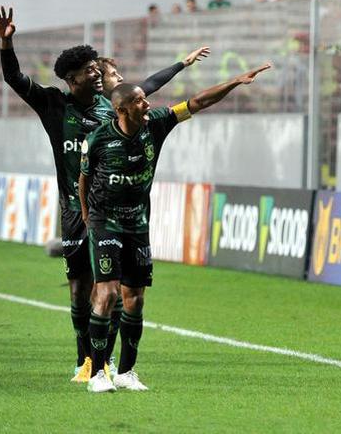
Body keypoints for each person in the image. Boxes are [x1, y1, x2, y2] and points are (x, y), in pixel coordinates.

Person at [79, 63, 272, 392]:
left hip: (137, 222)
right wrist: (86, 216)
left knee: (135, 300)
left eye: (145, 99)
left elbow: (198, 102)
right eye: (140, 101)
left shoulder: (156, 124)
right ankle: (98, 373)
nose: (147, 104)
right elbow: (83, 179)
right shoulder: (97, 138)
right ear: (122, 109)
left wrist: (235, 81)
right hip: (104, 222)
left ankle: (126, 372)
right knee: (108, 294)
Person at [0, 6, 113, 383]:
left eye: (98, 69)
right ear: (72, 78)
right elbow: (14, 78)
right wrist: (7, 42)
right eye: (91, 71)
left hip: (111, 212)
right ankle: (84, 360)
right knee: (80, 289)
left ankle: (104, 360)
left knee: (111, 289)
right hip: (73, 210)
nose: (98, 74)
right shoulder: (53, 104)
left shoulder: (113, 107)